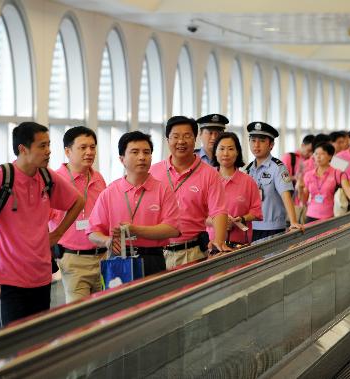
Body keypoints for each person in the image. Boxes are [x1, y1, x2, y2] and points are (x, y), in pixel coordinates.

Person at [0, 122, 84, 328]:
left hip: (41, 275)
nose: (48, 151)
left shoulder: (46, 177)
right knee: (11, 342)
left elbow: (78, 202)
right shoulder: (0, 177)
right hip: (9, 277)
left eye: (49, 145)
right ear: (23, 148)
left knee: (37, 342)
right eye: (42, 146)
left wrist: (57, 234)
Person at [88, 131, 180, 276]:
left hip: (152, 259)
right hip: (119, 258)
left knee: (155, 299)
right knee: (119, 299)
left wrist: (135, 230)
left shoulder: (163, 190)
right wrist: (107, 241)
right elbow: (92, 232)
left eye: (146, 152)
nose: (142, 157)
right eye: (135, 152)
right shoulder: (110, 192)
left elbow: (173, 229)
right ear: (122, 159)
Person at [149, 116, 230, 269]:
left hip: (191, 252)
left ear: (195, 139)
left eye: (187, 136)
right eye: (175, 136)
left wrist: (219, 241)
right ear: (167, 140)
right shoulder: (154, 171)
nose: (181, 141)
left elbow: (219, 210)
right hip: (156, 253)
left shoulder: (209, 174)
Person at [49, 126, 107, 303]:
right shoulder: (54, 180)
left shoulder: (98, 178)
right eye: (83, 148)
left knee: (104, 313)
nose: (89, 152)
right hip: (73, 259)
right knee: (79, 315)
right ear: (68, 151)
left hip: (103, 258)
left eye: (93, 147)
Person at [245, 121, 304, 241]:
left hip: (273, 228)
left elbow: (286, 195)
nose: (256, 145)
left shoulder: (278, 167)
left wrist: (293, 222)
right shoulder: (248, 169)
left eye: (261, 141)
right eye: (253, 140)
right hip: (252, 227)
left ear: (271, 145)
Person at [207, 132, 263, 245]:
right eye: (221, 149)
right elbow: (199, 215)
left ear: (237, 152)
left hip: (240, 245)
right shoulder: (207, 179)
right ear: (215, 152)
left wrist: (241, 219)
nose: (226, 153)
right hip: (211, 244)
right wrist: (219, 222)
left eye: (231, 149)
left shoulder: (248, 181)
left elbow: (257, 213)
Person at [301, 143, 350, 223]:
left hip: (329, 216)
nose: (318, 157)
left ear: (330, 156)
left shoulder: (337, 173)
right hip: (310, 216)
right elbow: (304, 199)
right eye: (316, 153)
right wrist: (299, 189)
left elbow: (347, 188)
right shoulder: (308, 175)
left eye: (322, 154)